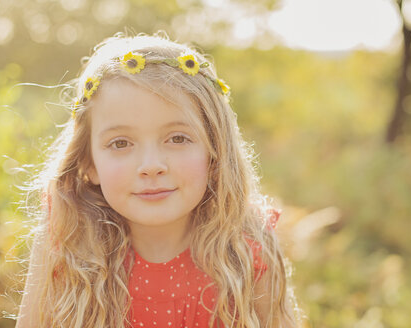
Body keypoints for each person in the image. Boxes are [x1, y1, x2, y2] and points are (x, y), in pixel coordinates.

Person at [16, 32, 299, 328]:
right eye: (121, 143)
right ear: (89, 162)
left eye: (177, 138)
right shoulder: (66, 236)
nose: (151, 166)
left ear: (215, 152)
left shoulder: (247, 244)